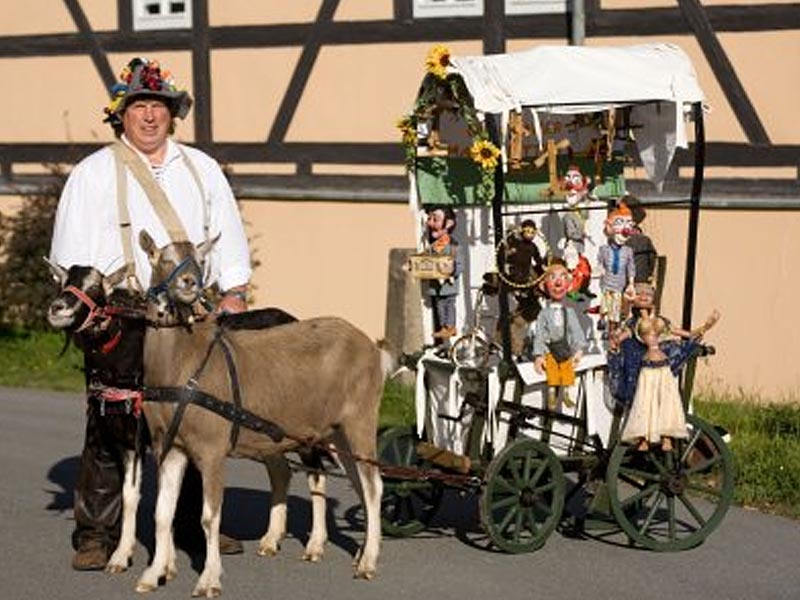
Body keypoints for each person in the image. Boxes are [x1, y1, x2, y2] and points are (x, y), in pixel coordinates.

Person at [50, 57, 251, 570]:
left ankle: (192, 527)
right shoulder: (92, 174)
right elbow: (73, 256)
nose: (148, 117)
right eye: (138, 106)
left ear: (172, 115)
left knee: (192, 420)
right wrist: (84, 316)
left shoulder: (201, 168)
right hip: (120, 314)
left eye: (157, 107)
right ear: (121, 115)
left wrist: (234, 290)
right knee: (110, 422)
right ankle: (96, 533)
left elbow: (225, 230)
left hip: (188, 316)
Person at [532, 261, 588, 410]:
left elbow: (575, 330)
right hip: (551, 349)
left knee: (567, 371)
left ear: (568, 285)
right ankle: (551, 395)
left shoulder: (569, 312)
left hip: (565, 348)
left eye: (563, 278)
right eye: (553, 278)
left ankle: (566, 394)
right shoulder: (543, 314)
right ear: (544, 286)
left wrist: (579, 349)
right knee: (552, 371)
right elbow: (540, 333)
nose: (558, 283)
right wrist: (539, 354)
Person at [423, 206, 461, 341]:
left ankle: (450, 326)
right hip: (437, 285)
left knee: (449, 304)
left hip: (448, 283)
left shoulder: (453, 245)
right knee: (440, 305)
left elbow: (458, 264)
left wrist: (452, 273)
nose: (430, 223)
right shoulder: (435, 245)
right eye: (430, 219)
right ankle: (444, 327)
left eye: (435, 219)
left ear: (449, 223)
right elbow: (425, 259)